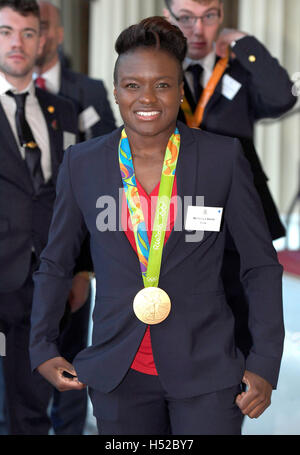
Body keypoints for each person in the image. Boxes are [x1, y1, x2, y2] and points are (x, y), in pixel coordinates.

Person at [30, 17, 284, 436]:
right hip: (118, 373)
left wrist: (264, 362)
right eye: (132, 85)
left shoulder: (222, 159)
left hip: (206, 372)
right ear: (116, 91)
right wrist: (41, 345)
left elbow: (260, 266)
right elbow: (57, 262)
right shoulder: (83, 164)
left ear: (180, 90)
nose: (147, 97)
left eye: (162, 85)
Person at [164, 0, 296, 358]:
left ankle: (230, 402)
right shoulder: (159, 69)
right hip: (174, 214)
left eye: (209, 17)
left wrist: (246, 44)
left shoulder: (238, 69)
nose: (198, 29)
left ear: (221, 17)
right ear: (169, 18)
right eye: (186, 18)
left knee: (239, 319)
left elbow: (283, 97)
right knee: (178, 322)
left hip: (238, 215)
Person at [0, 0, 88, 435]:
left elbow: (75, 200)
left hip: (41, 286)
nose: (17, 42)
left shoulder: (64, 112)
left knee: (30, 409)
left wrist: (79, 270)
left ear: (42, 40)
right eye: (5, 31)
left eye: (28, 33)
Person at [31, 0, 116, 435]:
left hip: (73, 254)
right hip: (14, 258)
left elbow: (102, 186)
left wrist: (84, 268)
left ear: (58, 33)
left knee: (72, 359)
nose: (36, 38)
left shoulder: (90, 92)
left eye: (41, 27)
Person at [35, 1, 116, 142]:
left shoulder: (91, 91)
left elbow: (107, 148)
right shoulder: (7, 90)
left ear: (60, 35)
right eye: (28, 30)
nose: (35, 35)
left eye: (42, 27)